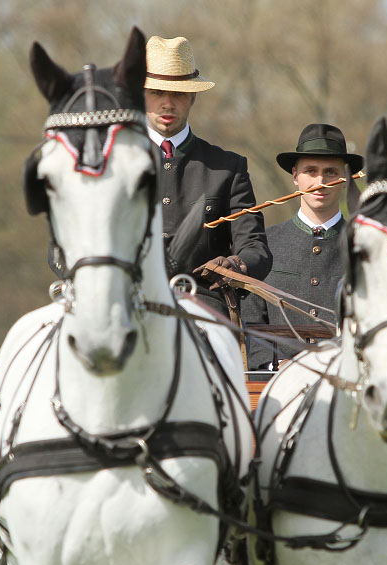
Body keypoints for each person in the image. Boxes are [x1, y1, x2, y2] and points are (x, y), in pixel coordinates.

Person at [143, 35, 271, 315]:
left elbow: (254, 246)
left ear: (193, 96)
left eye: (177, 93)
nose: (167, 103)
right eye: (157, 93)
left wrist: (237, 265)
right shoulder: (113, 163)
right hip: (127, 304)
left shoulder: (228, 167)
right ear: (141, 96)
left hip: (203, 308)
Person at [242, 123, 364, 370]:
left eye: (331, 172)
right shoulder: (262, 244)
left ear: (345, 179)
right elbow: (250, 321)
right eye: (311, 171)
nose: (320, 181)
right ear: (296, 176)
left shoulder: (365, 246)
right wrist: (274, 364)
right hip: (274, 388)